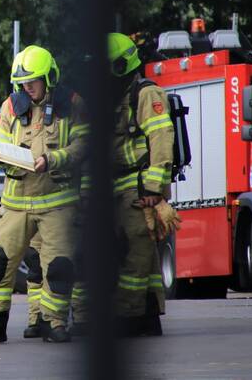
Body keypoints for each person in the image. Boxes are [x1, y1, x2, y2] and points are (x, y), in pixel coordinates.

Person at [0, 45, 88, 345]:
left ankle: (53, 323)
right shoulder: (12, 105)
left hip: (57, 202)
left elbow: (83, 145)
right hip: (16, 200)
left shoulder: (73, 104)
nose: (27, 88)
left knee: (58, 268)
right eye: (22, 83)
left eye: (32, 82)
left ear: (49, 77)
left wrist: (53, 159)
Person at [107, 32, 174, 336]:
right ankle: (148, 315)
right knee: (141, 256)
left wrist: (152, 190)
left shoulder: (146, 94)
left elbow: (161, 141)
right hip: (119, 183)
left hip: (140, 184)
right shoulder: (114, 95)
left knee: (134, 252)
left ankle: (130, 317)